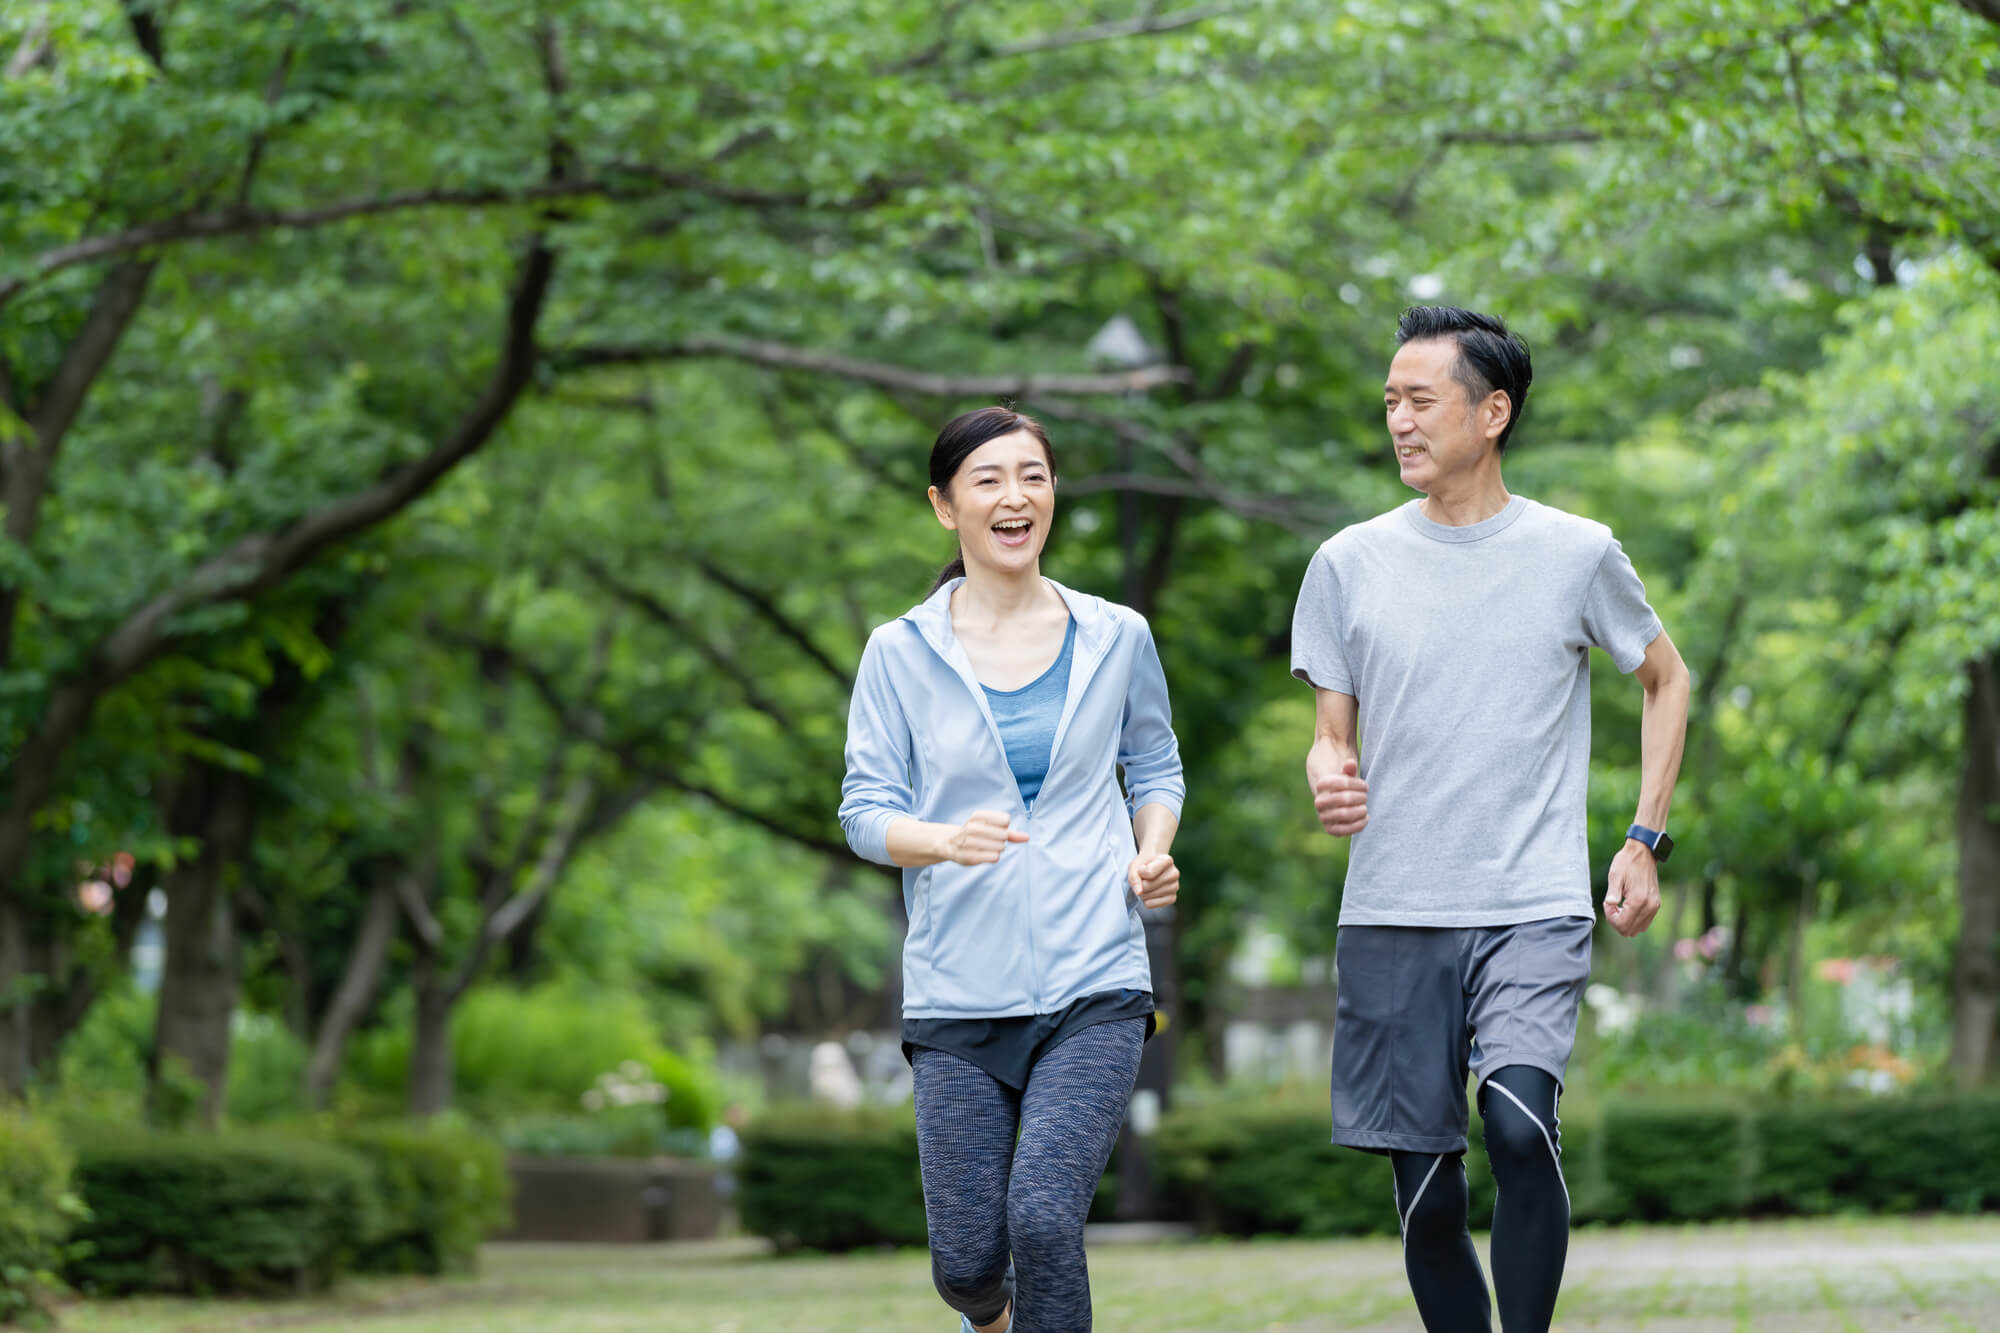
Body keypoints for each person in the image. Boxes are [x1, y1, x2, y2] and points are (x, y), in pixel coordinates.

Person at [1291, 307, 1691, 1332]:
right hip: (1391, 907)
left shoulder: (1575, 551)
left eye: (1420, 400)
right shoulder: (1346, 562)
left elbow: (1665, 677)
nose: (1398, 420)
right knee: (1426, 1191)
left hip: (1530, 902)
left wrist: (1643, 838)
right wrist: (1329, 773)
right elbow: (1329, 734)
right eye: (1390, 400)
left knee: (1516, 1127)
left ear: (1492, 411)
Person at [839, 406, 1186, 1333]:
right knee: (965, 1263)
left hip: (1095, 977)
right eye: (988, 479)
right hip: (958, 987)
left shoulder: (1116, 634)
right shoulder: (899, 651)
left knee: (1042, 1215)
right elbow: (864, 813)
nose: (1015, 496)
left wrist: (1152, 848)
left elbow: (1155, 765)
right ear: (943, 505)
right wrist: (941, 840)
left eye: (1033, 475)